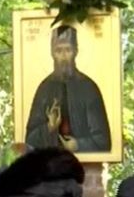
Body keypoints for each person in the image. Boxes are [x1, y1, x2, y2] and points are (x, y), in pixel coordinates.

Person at [25, 25, 110, 153]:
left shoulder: (88, 88)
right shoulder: (44, 89)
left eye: (68, 50)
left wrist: (78, 145)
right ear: (52, 53)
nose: (64, 57)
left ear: (76, 51)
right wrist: (49, 127)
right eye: (58, 51)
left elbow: (103, 141)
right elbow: (29, 142)